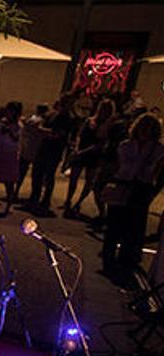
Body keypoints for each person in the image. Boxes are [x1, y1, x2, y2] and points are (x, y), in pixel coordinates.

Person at [101, 113, 164, 282]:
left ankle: (126, 258)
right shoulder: (126, 145)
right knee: (114, 223)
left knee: (133, 226)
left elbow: (155, 172)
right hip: (123, 184)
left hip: (141, 188)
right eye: (143, 127)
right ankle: (108, 255)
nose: (145, 131)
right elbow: (121, 165)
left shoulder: (158, 149)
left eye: (150, 128)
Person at [64, 98, 116, 217]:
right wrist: (77, 148)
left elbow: (100, 144)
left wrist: (82, 151)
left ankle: (78, 203)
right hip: (82, 151)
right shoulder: (90, 120)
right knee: (74, 178)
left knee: (89, 181)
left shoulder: (107, 126)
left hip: (93, 155)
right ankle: (68, 200)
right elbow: (80, 135)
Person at [28, 97, 73, 214]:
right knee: (37, 172)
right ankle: (35, 196)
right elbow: (43, 126)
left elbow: (59, 134)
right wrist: (46, 131)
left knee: (49, 175)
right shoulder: (52, 115)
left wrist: (44, 131)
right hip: (45, 147)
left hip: (55, 149)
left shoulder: (68, 118)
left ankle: (46, 200)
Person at [0, 101, 23, 214]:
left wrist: (10, 130)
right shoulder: (1, 122)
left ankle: (9, 204)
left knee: (9, 181)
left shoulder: (18, 125)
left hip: (10, 154)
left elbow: (17, 139)